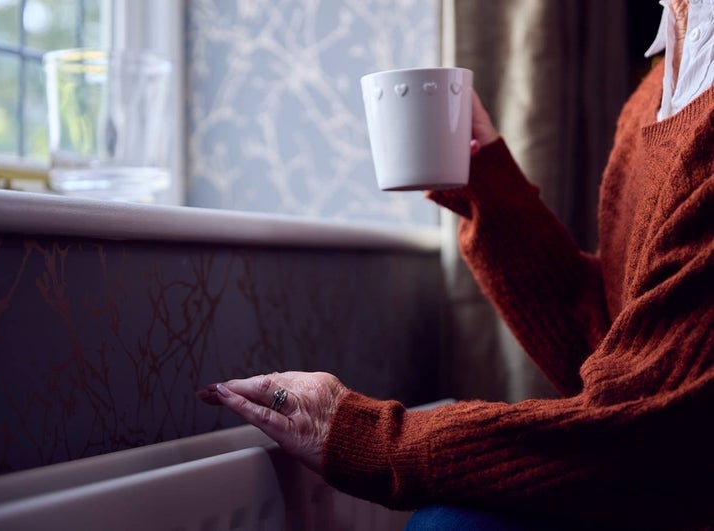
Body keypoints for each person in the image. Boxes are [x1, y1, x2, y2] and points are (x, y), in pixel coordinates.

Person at [197, 1, 713, 529]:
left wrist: (366, 438)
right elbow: (621, 348)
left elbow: (648, 426)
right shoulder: (655, 90)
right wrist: (485, 182)